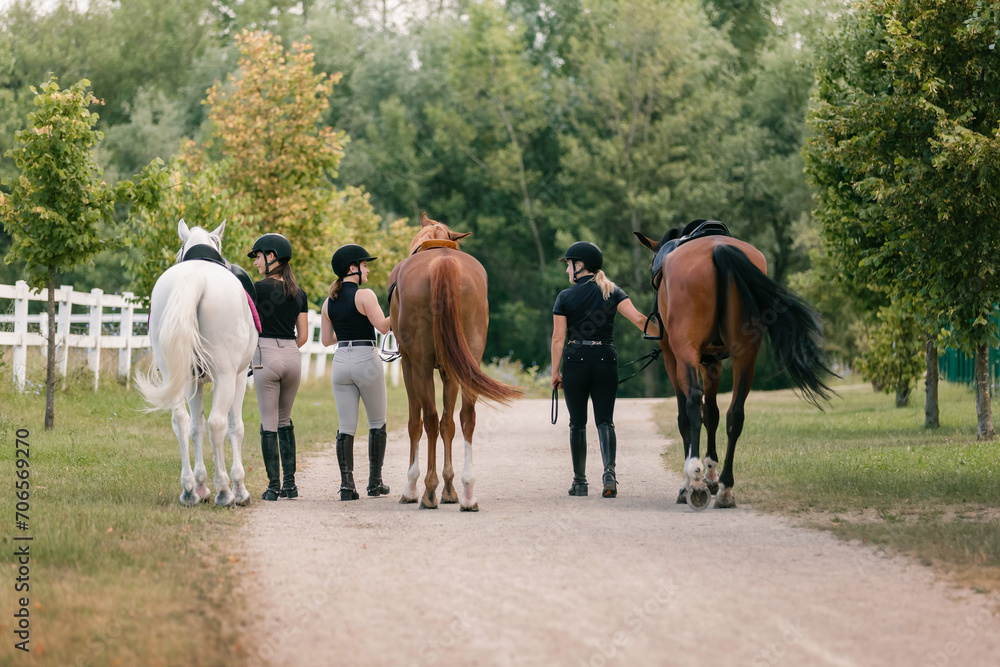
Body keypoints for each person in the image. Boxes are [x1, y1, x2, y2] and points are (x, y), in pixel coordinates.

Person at [550, 241, 657, 498]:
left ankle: (580, 482)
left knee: (577, 423)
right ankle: (609, 475)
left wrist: (555, 372)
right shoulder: (613, 292)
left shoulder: (564, 297)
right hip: (605, 359)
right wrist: (665, 338)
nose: (567, 272)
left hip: (576, 361)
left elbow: (557, 338)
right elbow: (640, 320)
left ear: (580, 265)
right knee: (606, 421)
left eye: (568, 266)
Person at [321, 244, 392, 501]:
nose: (367, 269)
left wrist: (349, 329)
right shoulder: (365, 295)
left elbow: (326, 341)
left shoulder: (329, 302)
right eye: (364, 265)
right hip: (365, 359)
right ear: (353, 269)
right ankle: (375, 483)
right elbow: (384, 327)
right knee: (377, 422)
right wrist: (403, 310)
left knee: (345, 426)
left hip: (341, 362)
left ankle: (347, 486)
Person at [247, 233, 309, 501]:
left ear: (271, 256)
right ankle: (291, 486)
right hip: (293, 357)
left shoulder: (256, 289)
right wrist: (286, 349)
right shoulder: (299, 293)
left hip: (266, 354)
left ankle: (273, 487)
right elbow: (304, 336)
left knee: (269, 422)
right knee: (285, 420)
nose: (256, 263)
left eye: (258, 256)